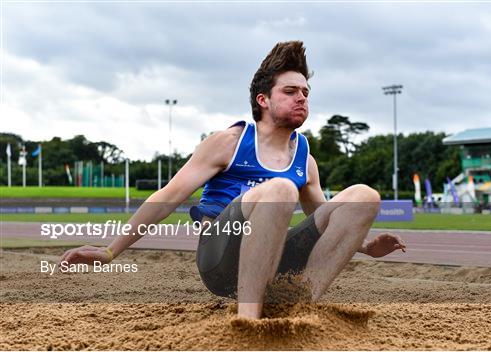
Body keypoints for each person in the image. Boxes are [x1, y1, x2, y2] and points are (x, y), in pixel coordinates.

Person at [60, 41, 406, 320]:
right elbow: (169, 195)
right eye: (290, 91)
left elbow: (327, 217)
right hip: (220, 259)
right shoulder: (230, 142)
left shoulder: (304, 157)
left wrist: (365, 246)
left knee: (364, 195)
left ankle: (300, 306)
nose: (302, 97)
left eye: (306, 91)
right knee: (280, 189)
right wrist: (110, 251)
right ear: (263, 100)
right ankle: (248, 320)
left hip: (274, 257)